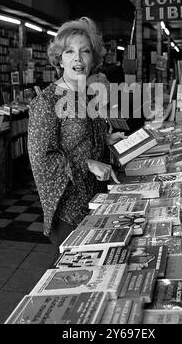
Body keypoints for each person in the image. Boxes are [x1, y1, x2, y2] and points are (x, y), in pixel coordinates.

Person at [28, 17, 125, 259]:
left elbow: (81, 137)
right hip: (69, 209)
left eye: (85, 51)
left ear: (95, 59)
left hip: (98, 198)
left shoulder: (87, 95)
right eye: (69, 51)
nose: (78, 59)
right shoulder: (47, 101)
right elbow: (41, 158)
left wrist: (104, 138)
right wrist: (88, 164)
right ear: (59, 58)